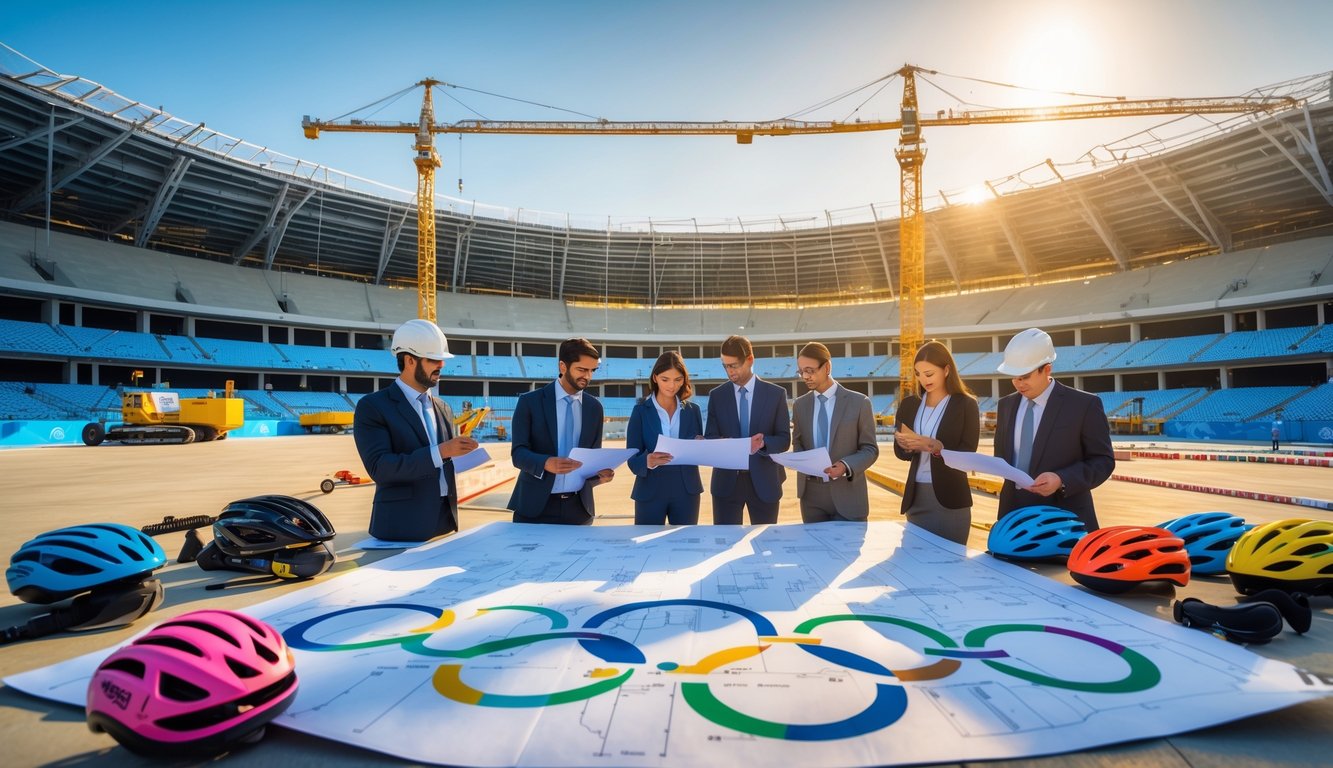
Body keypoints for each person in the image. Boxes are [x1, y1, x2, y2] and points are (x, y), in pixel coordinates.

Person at [353, 319, 479, 542]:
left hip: (444, 524)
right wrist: (441, 451)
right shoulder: (373, 406)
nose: (441, 365)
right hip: (401, 528)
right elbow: (380, 468)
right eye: (433, 359)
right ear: (409, 360)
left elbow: (443, 461)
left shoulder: (443, 407)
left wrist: (461, 454)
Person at [993, 328, 1115, 530]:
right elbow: (1003, 456)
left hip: (1064, 521)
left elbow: (1103, 461)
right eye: (1014, 377)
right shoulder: (1006, 405)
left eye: (1025, 376)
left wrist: (1061, 479)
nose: (1018, 384)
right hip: (1013, 518)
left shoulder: (1083, 405)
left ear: (1047, 369)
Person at [507, 338, 614, 525]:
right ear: (563, 366)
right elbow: (518, 454)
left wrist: (600, 476)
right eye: (582, 369)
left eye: (592, 370)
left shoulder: (595, 408)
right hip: (534, 507)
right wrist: (545, 463)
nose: (588, 376)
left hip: (579, 509)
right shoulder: (530, 402)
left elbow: (592, 457)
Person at [892, 340, 980, 544]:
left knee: (951, 560)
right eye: (918, 374)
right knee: (914, 558)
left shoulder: (966, 405)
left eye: (929, 374)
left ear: (946, 370)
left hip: (950, 499)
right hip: (916, 497)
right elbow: (900, 452)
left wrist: (937, 448)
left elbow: (968, 453)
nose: (923, 380)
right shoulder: (909, 404)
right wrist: (906, 446)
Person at [705, 335, 790, 524]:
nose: (729, 371)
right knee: (725, 539)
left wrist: (763, 443)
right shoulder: (717, 396)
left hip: (765, 482)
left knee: (764, 539)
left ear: (750, 359)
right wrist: (727, 444)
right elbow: (710, 437)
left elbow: (784, 439)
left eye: (733, 365)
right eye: (725, 366)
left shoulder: (776, 394)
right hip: (726, 483)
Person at [790, 342, 879, 522]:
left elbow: (870, 449)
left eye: (810, 370)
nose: (805, 376)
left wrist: (845, 465)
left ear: (827, 367)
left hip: (848, 494)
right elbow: (798, 442)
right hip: (811, 497)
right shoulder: (800, 405)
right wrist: (801, 460)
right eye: (801, 371)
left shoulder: (859, 403)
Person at [626, 351, 704, 525]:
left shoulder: (693, 411)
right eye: (665, 379)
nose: (672, 386)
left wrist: (701, 445)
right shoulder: (640, 411)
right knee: (646, 541)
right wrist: (647, 460)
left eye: (678, 379)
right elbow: (632, 460)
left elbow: (700, 452)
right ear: (655, 378)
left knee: (686, 540)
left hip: (687, 491)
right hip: (650, 490)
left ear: (684, 380)